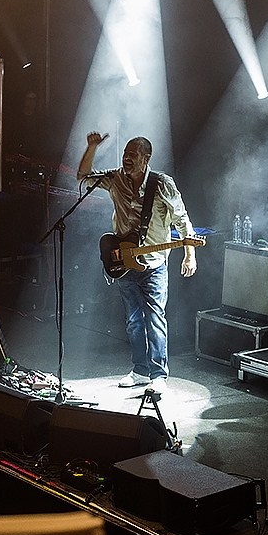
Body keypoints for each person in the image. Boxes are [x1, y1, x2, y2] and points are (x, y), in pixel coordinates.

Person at [76, 133, 197, 394]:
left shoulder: (162, 184)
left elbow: (182, 220)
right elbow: (83, 176)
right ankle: (140, 370)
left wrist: (190, 254)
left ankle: (158, 374)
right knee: (133, 321)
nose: (127, 158)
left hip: (153, 265)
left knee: (155, 318)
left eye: (133, 154)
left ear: (146, 158)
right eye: (125, 154)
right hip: (124, 263)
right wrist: (92, 147)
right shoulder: (115, 178)